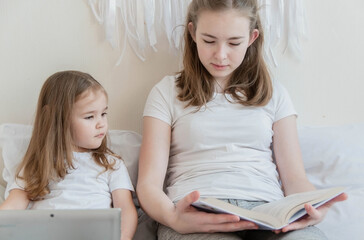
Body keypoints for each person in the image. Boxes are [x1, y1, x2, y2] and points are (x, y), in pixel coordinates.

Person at [136, 0, 347, 239]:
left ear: (252, 37)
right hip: (198, 212)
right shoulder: (166, 92)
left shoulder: (274, 94)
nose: (221, 54)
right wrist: (173, 218)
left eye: (234, 42)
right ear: (193, 33)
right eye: (209, 41)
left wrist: (311, 207)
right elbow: (148, 185)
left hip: (267, 213)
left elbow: (295, 178)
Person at [0, 70, 138, 240]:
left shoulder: (111, 164)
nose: (101, 123)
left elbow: (125, 209)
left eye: (103, 114)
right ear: (55, 118)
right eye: (89, 117)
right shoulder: (38, 164)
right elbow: (13, 207)